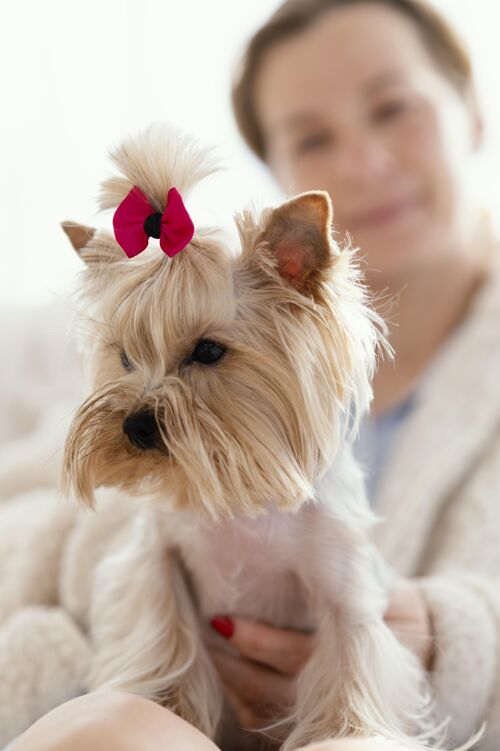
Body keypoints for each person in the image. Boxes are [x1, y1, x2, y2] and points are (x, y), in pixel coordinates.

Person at [8, 1, 500, 749]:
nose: (364, 160)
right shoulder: (89, 333)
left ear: (472, 106)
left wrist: (452, 635)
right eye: (311, 134)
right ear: (275, 163)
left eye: (392, 107)